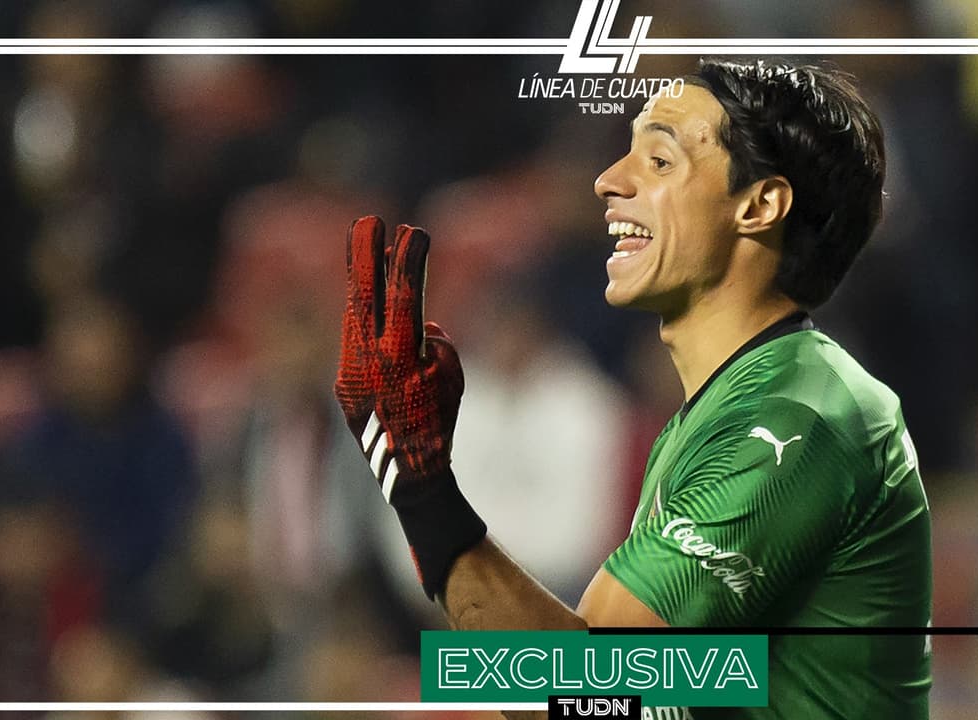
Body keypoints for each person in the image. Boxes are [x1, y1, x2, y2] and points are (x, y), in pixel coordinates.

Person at [333, 59, 932, 719]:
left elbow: (585, 693)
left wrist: (422, 488)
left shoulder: (794, 420)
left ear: (759, 206)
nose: (610, 181)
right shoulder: (719, 411)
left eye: (661, 162)